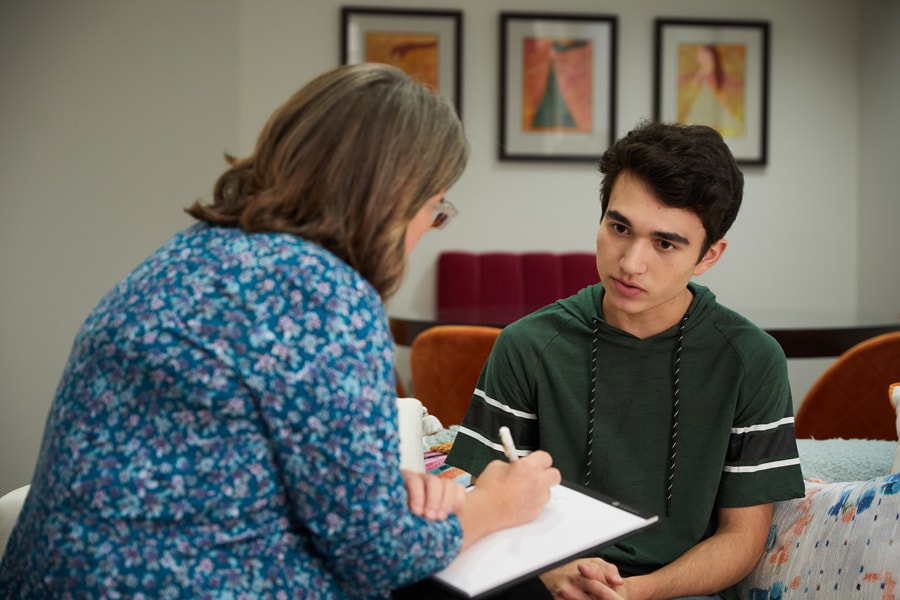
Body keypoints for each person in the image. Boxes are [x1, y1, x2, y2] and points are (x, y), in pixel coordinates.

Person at [0, 63, 560, 599]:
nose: (427, 230)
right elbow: (377, 554)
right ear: (392, 199)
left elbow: (235, 460)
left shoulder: (184, 254)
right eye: (434, 208)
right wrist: (493, 504)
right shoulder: (324, 296)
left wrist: (381, 497)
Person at [447, 121, 805, 600]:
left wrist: (639, 592)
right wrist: (557, 572)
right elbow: (486, 503)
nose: (631, 263)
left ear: (709, 255)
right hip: (541, 583)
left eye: (665, 243)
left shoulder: (751, 360)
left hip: (678, 591)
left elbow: (742, 537)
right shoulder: (527, 345)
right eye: (619, 228)